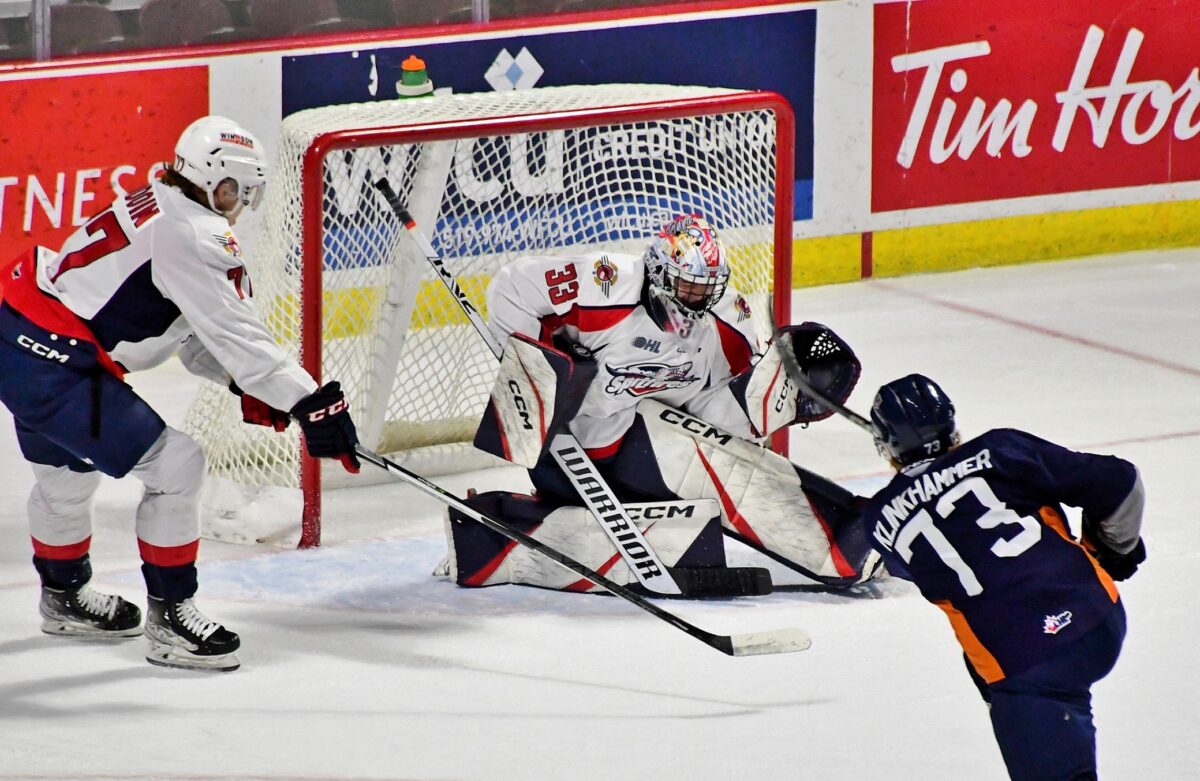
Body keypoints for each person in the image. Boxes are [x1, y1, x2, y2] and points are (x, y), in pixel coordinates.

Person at [0, 116, 360, 672]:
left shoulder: (160, 198)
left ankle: (64, 596)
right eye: (243, 191)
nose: (243, 205)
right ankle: (172, 621)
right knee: (178, 465)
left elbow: (191, 339)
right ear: (221, 183)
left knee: (66, 478)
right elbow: (237, 335)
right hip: (56, 360)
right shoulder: (196, 233)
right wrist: (311, 402)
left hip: (21, 333)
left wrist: (246, 385)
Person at [444, 213, 873, 592]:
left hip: (643, 437)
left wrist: (775, 397)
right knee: (698, 498)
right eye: (686, 286)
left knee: (712, 495)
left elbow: (716, 414)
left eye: (705, 289)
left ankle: (849, 539)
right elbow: (512, 286)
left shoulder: (727, 324)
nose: (695, 299)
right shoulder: (606, 282)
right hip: (565, 447)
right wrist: (537, 372)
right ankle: (489, 534)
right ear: (659, 272)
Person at [862, 374, 1146, 781]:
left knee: (983, 633)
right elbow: (1121, 481)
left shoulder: (879, 520)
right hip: (1099, 616)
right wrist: (1114, 547)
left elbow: (927, 563)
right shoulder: (1001, 448)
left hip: (1025, 664)